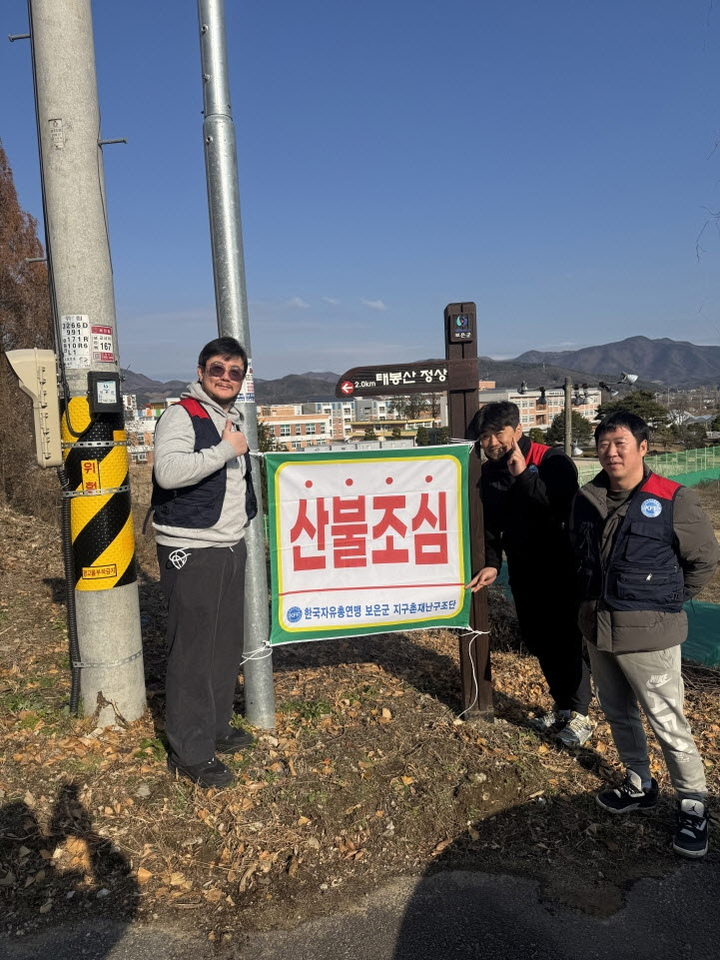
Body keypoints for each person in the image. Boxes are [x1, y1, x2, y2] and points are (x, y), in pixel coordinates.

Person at [570, 412, 718, 858]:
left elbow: (703, 561)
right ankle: (639, 782)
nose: (611, 452)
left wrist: (666, 602)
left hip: (650, 635)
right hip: (598, 627)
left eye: (620, 443)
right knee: (617, 712)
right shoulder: (586, 498)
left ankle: (693, 805)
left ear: (643, 448)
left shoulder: (673, 498)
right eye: (604, 444)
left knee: (668, 722)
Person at [151, 336, 257, 788]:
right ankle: (190, 750)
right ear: (200, 372)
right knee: (193, 652)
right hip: (191, 548)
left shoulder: (228, 418)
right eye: (217, 368)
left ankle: (215, 727)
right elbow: (168, 472)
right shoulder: (182, 415)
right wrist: (227, 449)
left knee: (223, 646)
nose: (226, 377)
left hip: (228, 544)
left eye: (235, 372)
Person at [466, 401, 593, 746]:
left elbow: (561, 509)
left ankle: (581, 714)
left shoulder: (551, 461)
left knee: (565, 639)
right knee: (538, 639)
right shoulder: (488, 473)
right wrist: (493, 562)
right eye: (485, 437)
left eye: (498, 434)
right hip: (522, 570)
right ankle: (562, 706)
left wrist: (524, 475)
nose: (492, 443)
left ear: (518, 430)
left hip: (560, 568)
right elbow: (490, 526)